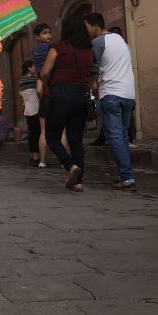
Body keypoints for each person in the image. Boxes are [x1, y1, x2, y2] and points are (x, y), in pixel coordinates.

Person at [39, 15, 95, 192]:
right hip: (81, 95)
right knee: (76, 140)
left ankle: (70, 166)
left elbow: (45, 72)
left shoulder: (58, 47)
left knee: (51, 136)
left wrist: (49, 82)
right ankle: (78, 181)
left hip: (61, 93)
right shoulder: (89, 51)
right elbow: (93, 77)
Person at [84, 13, 136, 189]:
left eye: (87, 27)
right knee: (122, 135)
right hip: (128, 94)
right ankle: (125, 174)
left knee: (114, 137)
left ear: (95, 26)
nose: (87, 31)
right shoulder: (123, 42)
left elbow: (93, 69)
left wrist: (91, 86)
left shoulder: (98, 42)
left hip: (111, 93)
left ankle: (127, 176)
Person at [31, 22, 52, 167]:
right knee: (61, 130)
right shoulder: (50, 48)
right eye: (45, 33)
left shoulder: (34, 50)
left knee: (43, 130)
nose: (49, 35)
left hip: (44, 90)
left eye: (49, 32)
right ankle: (64, 162)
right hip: (53, 88)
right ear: (37, 36)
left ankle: (43, 161)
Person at [19, 60, 40, 166]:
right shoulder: (33, 79)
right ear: (29, 68)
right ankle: (36, 156)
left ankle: (32, 155)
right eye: (34, 66)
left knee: (31, 133)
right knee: (37, 133)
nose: (35, 68)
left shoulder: (21, 80)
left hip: (27, 109)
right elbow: (39, 91)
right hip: (35, 108)